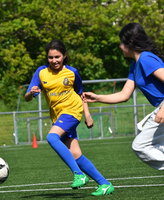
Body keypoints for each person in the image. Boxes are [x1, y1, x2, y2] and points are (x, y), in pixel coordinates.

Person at [25, 39, 114, 196]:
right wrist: (31, 93)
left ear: (64, 55)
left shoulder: (72, 72)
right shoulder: (41, 72)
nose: (54, 60)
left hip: (72, 111)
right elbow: (27, 97)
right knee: (76, 155)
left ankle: (78, 174)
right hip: (58, 116)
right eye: (50, 57)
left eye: (57, 57)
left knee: (52, 137)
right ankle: (105, 184)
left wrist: (87, 115)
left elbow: (81, 95)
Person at [82, 22, 164, 170]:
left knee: (141, 145)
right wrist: (97, 97)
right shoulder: (135, 65)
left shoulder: (146, 59)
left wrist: (163, 109)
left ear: (130, 42)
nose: (120, 46)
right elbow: (123, 95)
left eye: (121, 42)